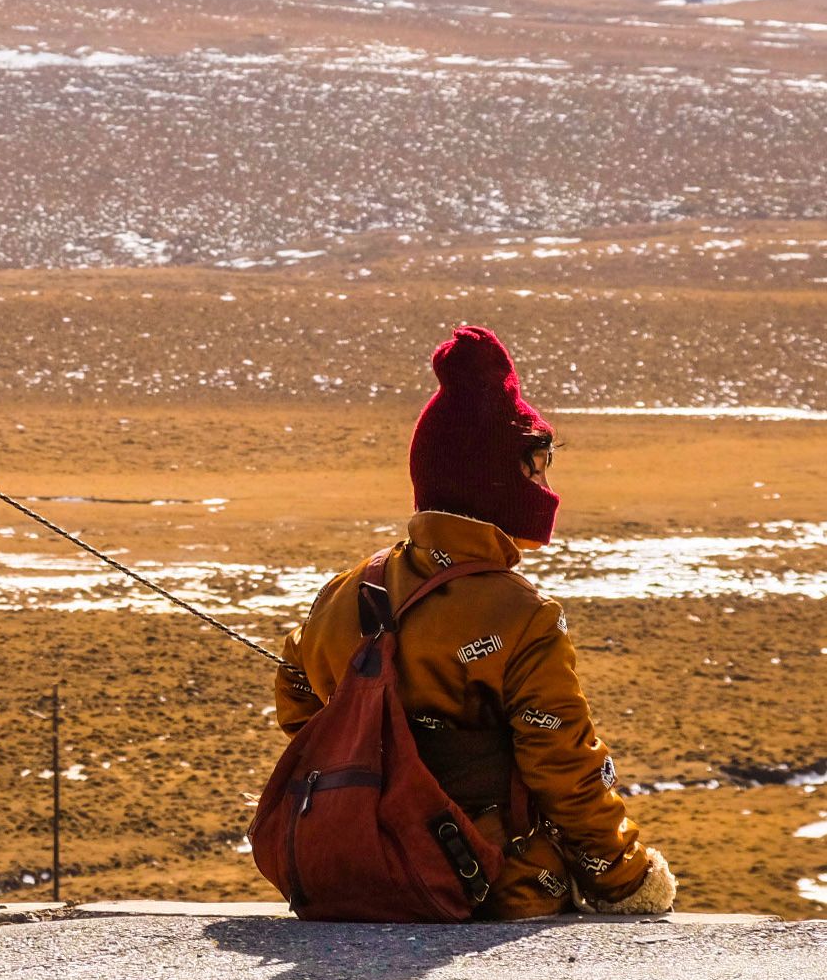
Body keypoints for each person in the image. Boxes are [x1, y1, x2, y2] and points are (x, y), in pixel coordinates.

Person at [272, 325, 676, 918]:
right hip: (491, 890)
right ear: (488, 478)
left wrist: (377, 788)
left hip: (357, 877)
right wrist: (627, 879)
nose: (545, 486)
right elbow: (564, 768)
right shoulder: (521, 615)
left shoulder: (345, 591)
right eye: (534, 469)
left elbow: (298, 699)